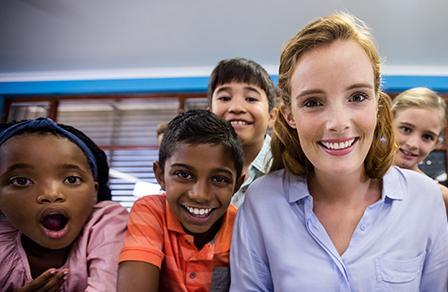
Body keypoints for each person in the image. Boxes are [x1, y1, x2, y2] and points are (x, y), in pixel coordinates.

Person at [230, 12, 448, 291]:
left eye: (357, 97)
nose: (338, 123)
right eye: (312, 102)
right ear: (289, 115)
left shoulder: (425, 200)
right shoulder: (260, 202)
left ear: (376, 104)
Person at [117, 110, 244, 292]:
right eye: (184, 175)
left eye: (219, 179)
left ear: (238, 184)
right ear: (160, 176)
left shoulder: (241, 228)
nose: (200, 195)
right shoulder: (150, 211)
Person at [0, 117, 128, 291]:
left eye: (71, 179)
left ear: (95, 192)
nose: (51, 194)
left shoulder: (106, 223)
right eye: (21, 181)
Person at [208, 57, 277, 207]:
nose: (237, 107)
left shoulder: (288, 166)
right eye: (225, 98)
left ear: (272, 116)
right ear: (210, 114)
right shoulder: (199, 164)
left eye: (251, 99)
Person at [392, 87, 448, 219]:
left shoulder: (441, 196)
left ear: (435, 142)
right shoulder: (355, 179)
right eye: (406, 129)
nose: (413, 144)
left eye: (427, 137)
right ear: (387, 124)